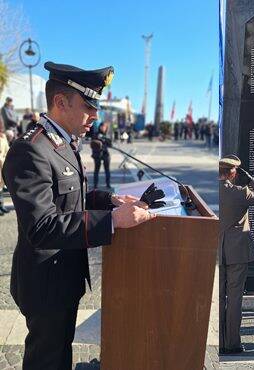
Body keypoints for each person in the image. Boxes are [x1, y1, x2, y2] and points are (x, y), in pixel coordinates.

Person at [1, 61, 154, 370]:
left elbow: (71, 200)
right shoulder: (30, 150)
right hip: (45, 283)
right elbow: (41, 226)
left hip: (63, 276)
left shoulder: (62, 142)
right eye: (87, 106)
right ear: (60, 102)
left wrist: (110, 200)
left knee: (59, 352)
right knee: (46, 358)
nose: (95, 115)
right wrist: (113, 221)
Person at [218, 155, 254, 354]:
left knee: (218, 297)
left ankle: (219, 341)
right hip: (237, 252)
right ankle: (232, 343)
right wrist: (253, 182)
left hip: (215, 252)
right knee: (234, 299)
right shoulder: (241, 192)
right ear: (233, 172)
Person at [90, 121, 112, 189]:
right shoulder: (95, 134)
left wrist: (105, 139)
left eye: (104, 127)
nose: (103, 128)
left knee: (107, 170)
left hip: (105, 154)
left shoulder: (107, 135)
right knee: (96, 170)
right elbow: (92, 144)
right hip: (97, 154)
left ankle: (108, 184)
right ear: (100, 127)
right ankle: (95, 185)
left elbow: (110, 145)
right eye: (102, 126)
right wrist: (99, 140)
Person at [0, 114, 10, 215]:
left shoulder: (3, 136)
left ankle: (1, 205)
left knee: (1, 186)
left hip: (2, 163)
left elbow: (7, 149)